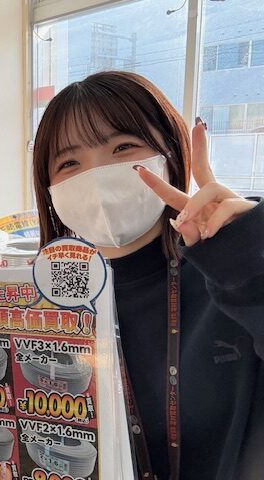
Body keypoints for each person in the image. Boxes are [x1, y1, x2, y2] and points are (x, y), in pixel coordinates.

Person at [30, 71, 264, 479]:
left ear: (170, 155)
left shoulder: (230, 274)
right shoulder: (40, 307)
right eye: (69, 163)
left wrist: (248, 255)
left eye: (123, 147)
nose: (97, 176)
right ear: (48, 189)